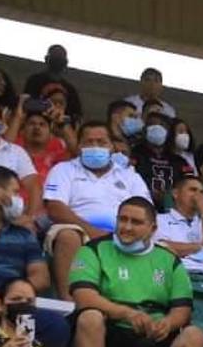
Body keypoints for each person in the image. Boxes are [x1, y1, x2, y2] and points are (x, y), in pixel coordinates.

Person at [69, 197, 203, 347]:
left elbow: (182, 308)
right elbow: (83, 296)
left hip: (153, 332)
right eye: (122, 219)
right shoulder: (93, 249)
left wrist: (168, 324)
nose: (126, 227)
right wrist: (126, 313)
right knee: (89, 317)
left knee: (195, 337)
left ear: (152, 228)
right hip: (109, 328)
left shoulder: (168, 260)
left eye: (135, 222)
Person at [43, 121, 151, 299]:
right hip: (77, 230)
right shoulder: (64, 170)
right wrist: (93, 231)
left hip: (123, 232)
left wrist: (118, 233)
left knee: (160, 246)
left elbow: (145, 211)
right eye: (89, 142)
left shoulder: (130, 176)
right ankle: (71, 303)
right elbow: (55, 208)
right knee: (68, 236)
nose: (95, 147)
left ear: (111, 146)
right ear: (79, 146)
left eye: (101, 142)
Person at [0, 165, 48, 301]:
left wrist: (2, 297)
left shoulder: (24, 235)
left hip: (13, 304)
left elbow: (41, 278)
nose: (19, 199)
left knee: (54, 322)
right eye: (15, 192)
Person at [156, 175, 203, 278]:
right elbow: (161, 248)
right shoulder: (159, 220)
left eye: (201, 192)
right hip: (173, 274)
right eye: (193, 190)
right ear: (175, 193)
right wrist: (198, 247)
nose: (198, 195)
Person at [0, 102, 40, 227]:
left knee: (28, 229)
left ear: (1, 122)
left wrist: (29, 217)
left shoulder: (16, 152)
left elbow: (34, 187)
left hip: (9, 218)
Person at [133, 112, 192, 207]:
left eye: (162, 125)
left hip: (171, 210)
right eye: (152, 124)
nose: (157, 128)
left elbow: (190, 183)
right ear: (145, 130)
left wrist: (168, 196)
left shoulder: (179, 161)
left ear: (169, 132)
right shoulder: (135, 154)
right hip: (140, 205)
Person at [23, 45, 83, 121]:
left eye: (60, 57)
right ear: (46, 59)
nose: (57, 60)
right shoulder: (34, 80)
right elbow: (26, 104)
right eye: (55, 56)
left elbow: (76, 115)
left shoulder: (70, 89)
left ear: (66, 62)